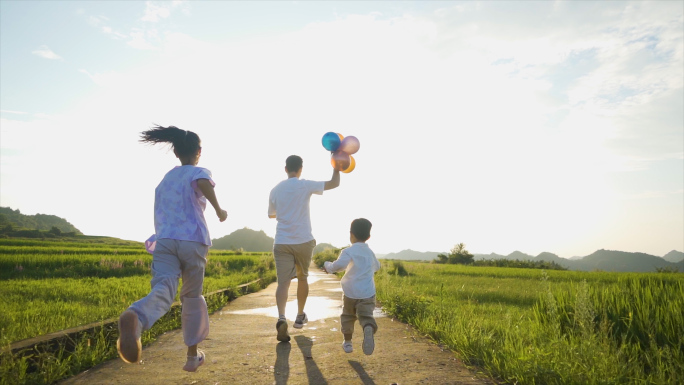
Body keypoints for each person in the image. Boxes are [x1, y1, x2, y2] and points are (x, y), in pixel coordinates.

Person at [117, 125, 227, 372]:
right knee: (191, 297)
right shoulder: (199, 171)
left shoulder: (166, 178)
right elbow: (202, 182)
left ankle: (136, 317)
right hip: (192, 241)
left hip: (165, 241)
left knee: (164, 288)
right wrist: (219, 209)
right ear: (199, 151)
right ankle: (191, 356)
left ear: (176, 152)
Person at [268, 155, 340, 342]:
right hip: (303, 241)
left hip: (282, 241)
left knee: (283, 282)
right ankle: (300, 316)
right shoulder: (305, 185)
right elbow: (334, 183)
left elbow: (271, 215)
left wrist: (285, 211)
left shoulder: (275, 189)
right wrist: (337, 167)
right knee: (302, 278)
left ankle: (282, 317)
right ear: (300, 169)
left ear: (285, 169)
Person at [324, 218, 380, 355]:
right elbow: (377, 267)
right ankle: (367, 327)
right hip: (367, 292)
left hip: (350, 292)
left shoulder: (348, 251)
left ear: (351, 234)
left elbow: (339, 266)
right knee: (366, 315)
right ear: (368, 237)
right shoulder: (370, 252)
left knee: (348, 316)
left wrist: (328, 266)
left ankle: (348, 342)